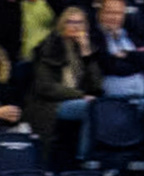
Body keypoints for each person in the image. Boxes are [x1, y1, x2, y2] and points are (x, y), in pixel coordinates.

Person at [26, 5, 101, 160]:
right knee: (91, 107)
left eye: (79, 23)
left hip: (76, 99)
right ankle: (85, 158)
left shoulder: (83, 49)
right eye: (70, 22)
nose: (75, 27)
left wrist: (86, 53)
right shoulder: (49, 47)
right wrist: (80, 95)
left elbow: (96, 86)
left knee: (104, 106)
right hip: (50, 104)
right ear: (62, 25)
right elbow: (46, 87)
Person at [92, 0, 144, 101]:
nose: (114, 17)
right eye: (109, 12)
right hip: (112, 100)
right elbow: (109, 65)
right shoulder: (94, 36)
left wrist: (127, 55)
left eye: (118, 13)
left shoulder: (134, 32)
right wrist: (138, 61)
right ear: (100, 13)